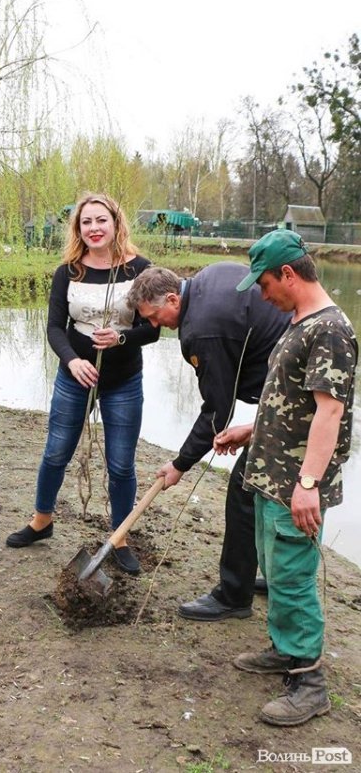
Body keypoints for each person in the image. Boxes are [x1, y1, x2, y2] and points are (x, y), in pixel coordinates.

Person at [214, 229, 357, 726]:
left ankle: (310, 680)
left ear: (289, 275)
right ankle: (284, 649)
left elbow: (330, 412)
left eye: (265, 282)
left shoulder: (331, 330)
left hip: (296, 482)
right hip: (269, 476)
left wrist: (309, 484)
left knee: (294, 580)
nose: (261, 293)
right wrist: (251, 430)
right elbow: (293, 402)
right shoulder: (299, 322)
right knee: (275, 573)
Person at [126, 262, 291, 619]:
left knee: (245, 491)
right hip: (288, 384)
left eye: (154, 316)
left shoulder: (201, 330)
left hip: (291, 391)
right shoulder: (207, 278)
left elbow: (217, 410)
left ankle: (234, 596)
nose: (155, 325)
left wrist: (180, 464)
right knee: (267, 491)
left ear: (172, 297)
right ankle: (271, 575)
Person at [6, 193, 159, 574]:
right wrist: (72, 361)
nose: (93, 228)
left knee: (121, 463)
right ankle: (42, 521)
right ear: (78, 229)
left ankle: (119, 536)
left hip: (123, 381)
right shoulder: (68, 272)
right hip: (74, 378)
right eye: (86, 222)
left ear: (116, 223)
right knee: (56, 451)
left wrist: (121, 338)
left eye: (100, 220)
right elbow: (55, 328)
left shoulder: (139, 270)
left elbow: (153, 328)